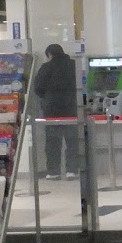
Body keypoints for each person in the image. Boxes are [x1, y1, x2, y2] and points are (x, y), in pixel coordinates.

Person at [33, 43, 78, 180]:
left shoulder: (46, 67)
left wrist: (47, 97)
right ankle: (72, 170)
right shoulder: (73, 65)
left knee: (52, 141)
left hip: (51, 109)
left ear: (49, 54)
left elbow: (38, 88)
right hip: (71, 107)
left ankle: (53, 172)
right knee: (72, 141)